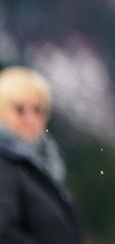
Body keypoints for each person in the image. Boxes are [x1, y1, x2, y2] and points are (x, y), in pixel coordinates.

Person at [0, 65, 82, 244]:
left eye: (38, 109)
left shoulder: (41, 165)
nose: (30, 118)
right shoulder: (5, 165)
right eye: (19, 109)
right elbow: (3, 233)